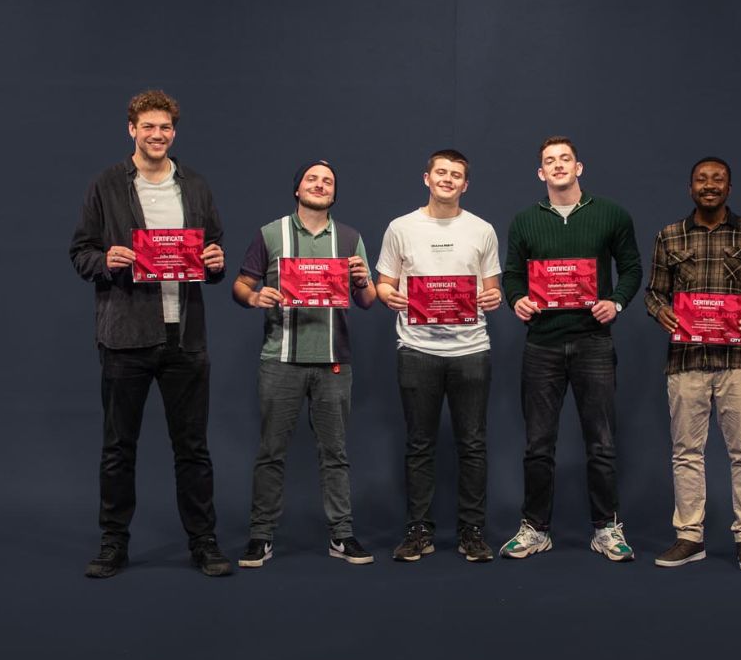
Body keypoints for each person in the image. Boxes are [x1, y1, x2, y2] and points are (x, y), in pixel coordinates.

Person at [68, 89, 232, 579]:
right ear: (132, 130)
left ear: (173, 133)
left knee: (194, 449)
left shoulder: (196, 187)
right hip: (125, 336)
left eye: (165, 128)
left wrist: (216, 262)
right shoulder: (105, 185)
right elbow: (80, 252)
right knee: (119, 447)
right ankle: (113, 543)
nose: (157, 135)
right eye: (148, 127)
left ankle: (203, 543)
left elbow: (214, 249)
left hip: (185, 337)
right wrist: (105, 261)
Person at [499, 136, 643, 562]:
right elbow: (511, 275)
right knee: (538, 445)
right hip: (541, 344)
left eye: (565, 159)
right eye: (549, 161)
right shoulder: (524, 221)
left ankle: (606, 528)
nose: (558, 165)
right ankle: (535, 528)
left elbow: (632, 267)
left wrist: (615, 301)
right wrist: (516, 299)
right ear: (541, 174)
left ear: (579, 167)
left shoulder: (612, 214)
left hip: (593, 343)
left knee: (601, 443)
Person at [232, 160, 378, 567]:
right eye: (312, 179)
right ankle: (260, 536)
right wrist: (254, 296)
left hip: (334, 360)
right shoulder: (270, 234)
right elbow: (240, 285)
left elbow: (367, 302)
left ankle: (342, 536)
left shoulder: (350, 238)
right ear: (297, 189)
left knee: (335, 452)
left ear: (334, 193)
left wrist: (364, 279)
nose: (320, 184)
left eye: (328, 181)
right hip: (280, 360)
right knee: (271, 452)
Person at [644, 157, 741, 572]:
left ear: (729, 188)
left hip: (740, 359)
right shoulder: (669, 235)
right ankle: (689, 536)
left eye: (718, 179)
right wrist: (659, 312)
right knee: (686, 451)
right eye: (701, 179)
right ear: (690, 188)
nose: (709, 185)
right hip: (686, 360)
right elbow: (653, 292)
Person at [376, 150, 504, 563]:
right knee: (419, 444)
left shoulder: (482, 230)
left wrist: (495, 296)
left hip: (470, 350)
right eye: (441, 173)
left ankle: (471, 530)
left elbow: (493, 288)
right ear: (426, 178)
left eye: (457, 175)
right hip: (417, 348)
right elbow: (383, 283)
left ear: (465, 185)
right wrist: (387, 295)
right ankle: (419, 530)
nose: (448, 179)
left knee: (473, 444)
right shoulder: (401, 227)